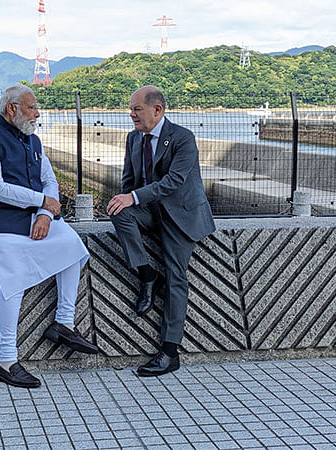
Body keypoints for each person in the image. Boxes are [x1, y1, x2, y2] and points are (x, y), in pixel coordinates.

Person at [0, 84, 98, 389]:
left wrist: (46, 214)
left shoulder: (33, 140)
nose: (38, 113)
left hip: (34, 217)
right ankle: (6, 360)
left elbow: (49, 180)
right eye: (32, 107)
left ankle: (64, 323)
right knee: (14, 277)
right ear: (12, 109)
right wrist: (41, 203)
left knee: (72, 246)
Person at [106, 85, 215, 377]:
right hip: (151, 211)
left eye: (136, 109)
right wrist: (125, 198)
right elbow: (129, 181)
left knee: (176, 275)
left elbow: (174, 182)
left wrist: (134, 197)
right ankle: (146, 274)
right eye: (130, 109)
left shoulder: (182, 138)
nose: (131, 115)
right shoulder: (133, 138)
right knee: (120, 212)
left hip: (181, 215)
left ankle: (170, 352)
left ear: (157, 110)